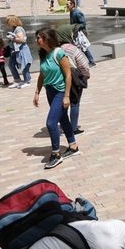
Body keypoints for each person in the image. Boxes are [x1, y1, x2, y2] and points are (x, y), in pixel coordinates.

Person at [33, 28, 80, 170]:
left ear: (46, 38)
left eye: (39, 38)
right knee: (63, 119)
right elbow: (42, 75)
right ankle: (73, 146)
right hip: (50, 92)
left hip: (60, 92)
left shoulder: (58, 53)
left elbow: (68, 75)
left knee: (51, 123)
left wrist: (66, 96)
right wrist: (37, 92)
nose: (37, 40)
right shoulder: (43, 54)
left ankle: (56, 154)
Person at [54, 24, 91, 135]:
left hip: (59, 79)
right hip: (73, 79)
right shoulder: (72, 49)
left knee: (62, 103)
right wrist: (86, 75)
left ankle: (62, 126)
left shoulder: (54, 49)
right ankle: (73, 128)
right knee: (74, 103)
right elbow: (83, 64)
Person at [66, 0, 96, 66]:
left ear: (72, 5)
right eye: (66, 4)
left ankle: (91, 61)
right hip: (75, 32)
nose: (67, 6)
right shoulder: (71, 11)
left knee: (83, 47)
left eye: (68, 4)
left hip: (81, 33)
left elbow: (83, 24)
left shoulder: (77, 13)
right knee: (74, 47)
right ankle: (76, 63)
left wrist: (75, 27)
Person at [6, 15, 34, 88]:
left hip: (22, 50)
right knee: (11, 64)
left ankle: (27, 80)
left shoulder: (18, 29)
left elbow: (21, 40)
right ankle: (17, 80)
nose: (7, 23)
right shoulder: (14, 29)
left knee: (24, 65)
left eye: (8, 21)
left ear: (13, 21)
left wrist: (12, 38)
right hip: (15, 50)